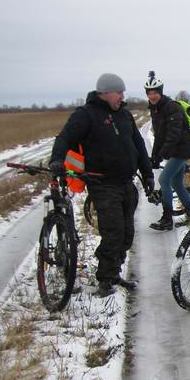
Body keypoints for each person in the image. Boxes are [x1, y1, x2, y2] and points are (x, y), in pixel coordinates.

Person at [49, 73, 153, 297]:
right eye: (119, 92)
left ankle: (114, 271)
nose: (122, 96)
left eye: (123, 92)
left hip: (127, 182)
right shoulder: (86, 115)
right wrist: (56, 160)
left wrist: (148, 174)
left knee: (127, 234)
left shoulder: (125, 116)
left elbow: (139, 145)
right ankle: (105, 278)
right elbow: (64, 138)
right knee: (113, 232)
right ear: (104, 93)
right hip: (102, 184)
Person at [144, 71, 190, 231]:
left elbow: (173, 135)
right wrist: (155, 155)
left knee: (164, 180)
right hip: (175, 151)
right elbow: (159, 134)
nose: (152, 96)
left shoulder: (172, 107)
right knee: (176, 183)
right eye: (149, 93)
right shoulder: (155, 109)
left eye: (155, 93)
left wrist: (162, 154)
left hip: (181, 150)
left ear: (161, 92)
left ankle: (167, 219)